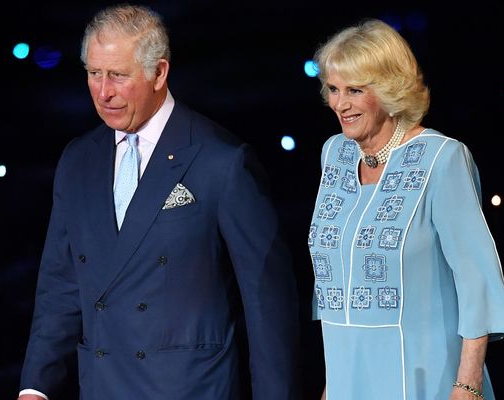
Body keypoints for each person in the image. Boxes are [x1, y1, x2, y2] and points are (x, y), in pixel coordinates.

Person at [17, 4, 301, 400]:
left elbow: (266, 303)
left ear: (159, 73)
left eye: (117, 75)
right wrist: (35, 387)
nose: (104, 92)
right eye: (94, 74)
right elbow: (61, 285)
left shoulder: (221, 161)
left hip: (189, 388)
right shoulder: (78, 160)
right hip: (102, 386)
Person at [308, 19, 504, 400]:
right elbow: (336, 287)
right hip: (348, 380)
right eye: (334, 89)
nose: (340, 104)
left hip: (423, 376)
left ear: (390, 90)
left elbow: (477, 281)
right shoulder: (335, 154)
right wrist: (332, 384)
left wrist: (467, 385)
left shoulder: (442, 159)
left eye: (355, 90)